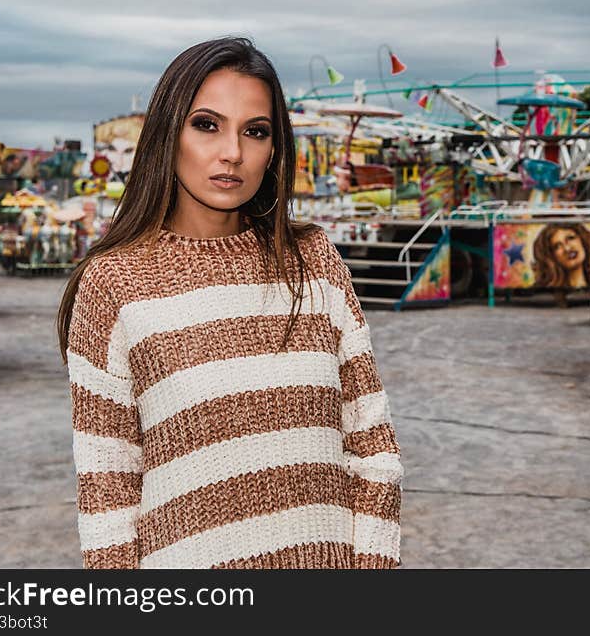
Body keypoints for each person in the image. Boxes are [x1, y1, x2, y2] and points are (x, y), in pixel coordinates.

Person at [55, 37, 403, 569]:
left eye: (255, 131)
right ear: (168, 133)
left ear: (274, 147)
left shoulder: (314, 262)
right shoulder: (113, 284)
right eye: (207, 124)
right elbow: (107, 491)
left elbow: (373, 450)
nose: (233, 153)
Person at [531, 222, 590, 289]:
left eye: (571, 238)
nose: (567, 248)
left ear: (583, 240)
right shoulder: (541, 295)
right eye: (557, 246)